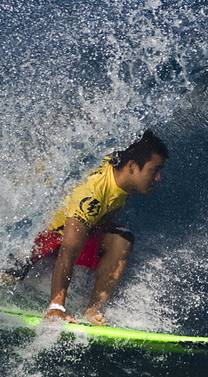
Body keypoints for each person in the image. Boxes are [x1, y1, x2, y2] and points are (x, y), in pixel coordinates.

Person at [29, 130, 168, 325]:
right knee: (9, 273)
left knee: (122, 237)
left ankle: (92, 312)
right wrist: (57, 307)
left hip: (72, 233)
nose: (159, 178)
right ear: (132, 166)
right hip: (40, 235)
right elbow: (69, 249)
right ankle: (52, 307)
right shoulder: (93, 194)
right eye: (154, 170)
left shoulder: (120, 178)